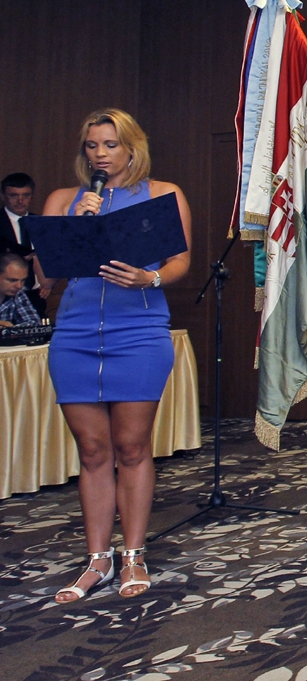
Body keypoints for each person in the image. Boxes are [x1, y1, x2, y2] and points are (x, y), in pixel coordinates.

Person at [42, 109, 192, 602]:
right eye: (92, 146)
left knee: (131, 447)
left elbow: (180, 262)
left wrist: (150, 277)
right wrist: (73, 224)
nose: (100, 154)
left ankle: (133, 555)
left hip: (139, 333)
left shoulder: (162, 194)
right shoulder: (63, 200)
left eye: (110, 144)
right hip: (75, 334)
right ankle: (97, 560)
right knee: (92, 451)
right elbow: (45, 278)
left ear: (132, 148)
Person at [1, 172, 43, 316]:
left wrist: (48, 281)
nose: (20, 201)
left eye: (26, 195)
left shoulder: (41, 223)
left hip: (37, 293)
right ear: (3, 196)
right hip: (5, 297)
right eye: (13, 195)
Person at [0, 253, 40, 327]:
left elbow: (33, 323)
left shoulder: (18, 294)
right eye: (12, 280)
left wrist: (10, 330)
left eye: (23, 280)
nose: (19, 286)